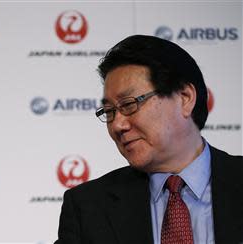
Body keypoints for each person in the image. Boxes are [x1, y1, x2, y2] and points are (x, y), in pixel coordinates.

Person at [55, 35, 243, 244]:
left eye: (129, 104)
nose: (117, 125)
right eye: (109, 112)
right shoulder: (88, 207)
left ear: (185, 97)